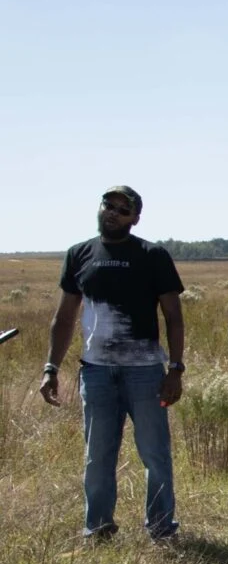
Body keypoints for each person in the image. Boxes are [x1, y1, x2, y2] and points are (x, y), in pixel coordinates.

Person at [40, 186, 184, 543]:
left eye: (123, 209)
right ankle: (98, 528)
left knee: (155, 454)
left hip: (146, 374)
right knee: (97, 457)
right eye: (109, 205)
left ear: (135, 218)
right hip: (97, 373)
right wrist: (51, 368)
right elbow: (64, 318)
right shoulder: (79, 254)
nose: (113, 213)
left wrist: (175, 369)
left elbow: (174, 316)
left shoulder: (153, 255)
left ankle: (162, 527)